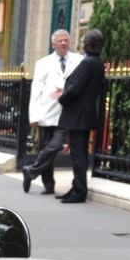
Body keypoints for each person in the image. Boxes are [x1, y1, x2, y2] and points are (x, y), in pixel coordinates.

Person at [21, 29, 82, 196]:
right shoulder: (43, 63)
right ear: (53, 44)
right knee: (45, 148)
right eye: (60, 41)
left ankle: (31, 171)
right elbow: (36, 90)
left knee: (55, 146)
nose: (63, 43)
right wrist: (33, 116)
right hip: (46, 112)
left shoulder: (78, 60)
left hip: (66, 112)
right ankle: (48, 185)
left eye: (66, 40)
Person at [51, 28, 105, 203]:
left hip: (78, 115)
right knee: (79, 152)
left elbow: (75, 88)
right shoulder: (97, 62)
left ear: (85, 45)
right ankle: (76, 187)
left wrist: (62, 98)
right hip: (84, 114)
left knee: (78, 154)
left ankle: (79, 191)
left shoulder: (88, 62)